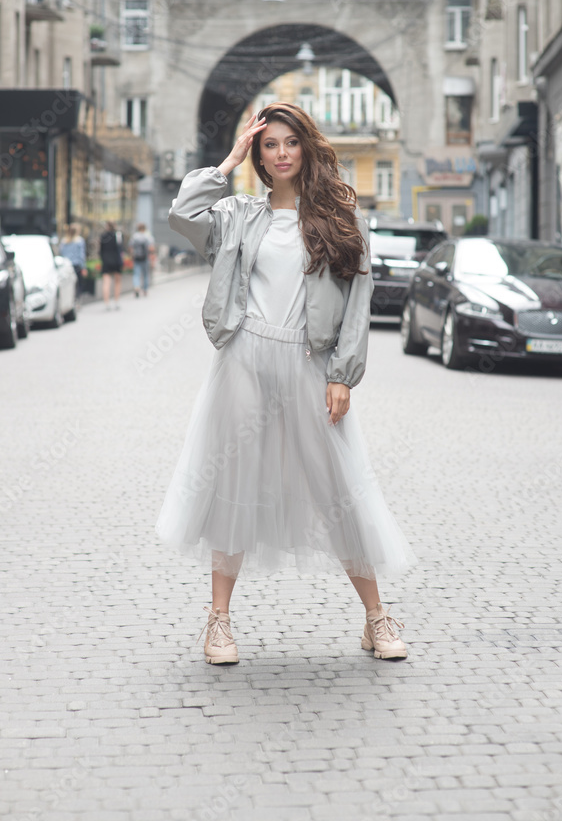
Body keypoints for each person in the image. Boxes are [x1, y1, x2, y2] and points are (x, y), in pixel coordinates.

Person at [155, 103, 416, 665]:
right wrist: (227, 159)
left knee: (337, 488)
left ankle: (376, 617)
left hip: (308, 363)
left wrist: (343, 374)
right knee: (234, 484)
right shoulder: (236, 216)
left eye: (289, 143)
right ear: (259, 153)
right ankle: (219, 623)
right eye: (269, 145)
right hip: (245, 358)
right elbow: (181, 213)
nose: (280, 154)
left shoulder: (341, 218)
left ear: (306, 148)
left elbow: (358, 303)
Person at [100, 221, 123, 310]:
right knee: (117, 282)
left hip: (106, 261)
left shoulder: (103, 236)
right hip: (116, 260)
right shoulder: (118, 235)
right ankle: (116, 301)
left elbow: (101, 250)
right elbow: (120, 249)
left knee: (106, 282)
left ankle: (107, 303)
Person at [59, 225, 87, 297]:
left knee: (67, 284)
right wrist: (83, 267)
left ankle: (69, 298)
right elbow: (81, 255)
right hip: (76, 265)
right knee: (77, 284)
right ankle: (76, 299)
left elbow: (61, 253)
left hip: (66, 266)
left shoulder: (64, 241)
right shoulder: (80, 241)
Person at [130, 222, 155, 297]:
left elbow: (131, 247)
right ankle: (145, 289)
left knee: (136, 274)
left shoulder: (134, 237)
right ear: (144, 229)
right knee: (145, 274)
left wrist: (132, 255)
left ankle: (137, 287)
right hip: (145, 258)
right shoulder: (148, 237)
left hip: (137, 258)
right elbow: (151, 248)